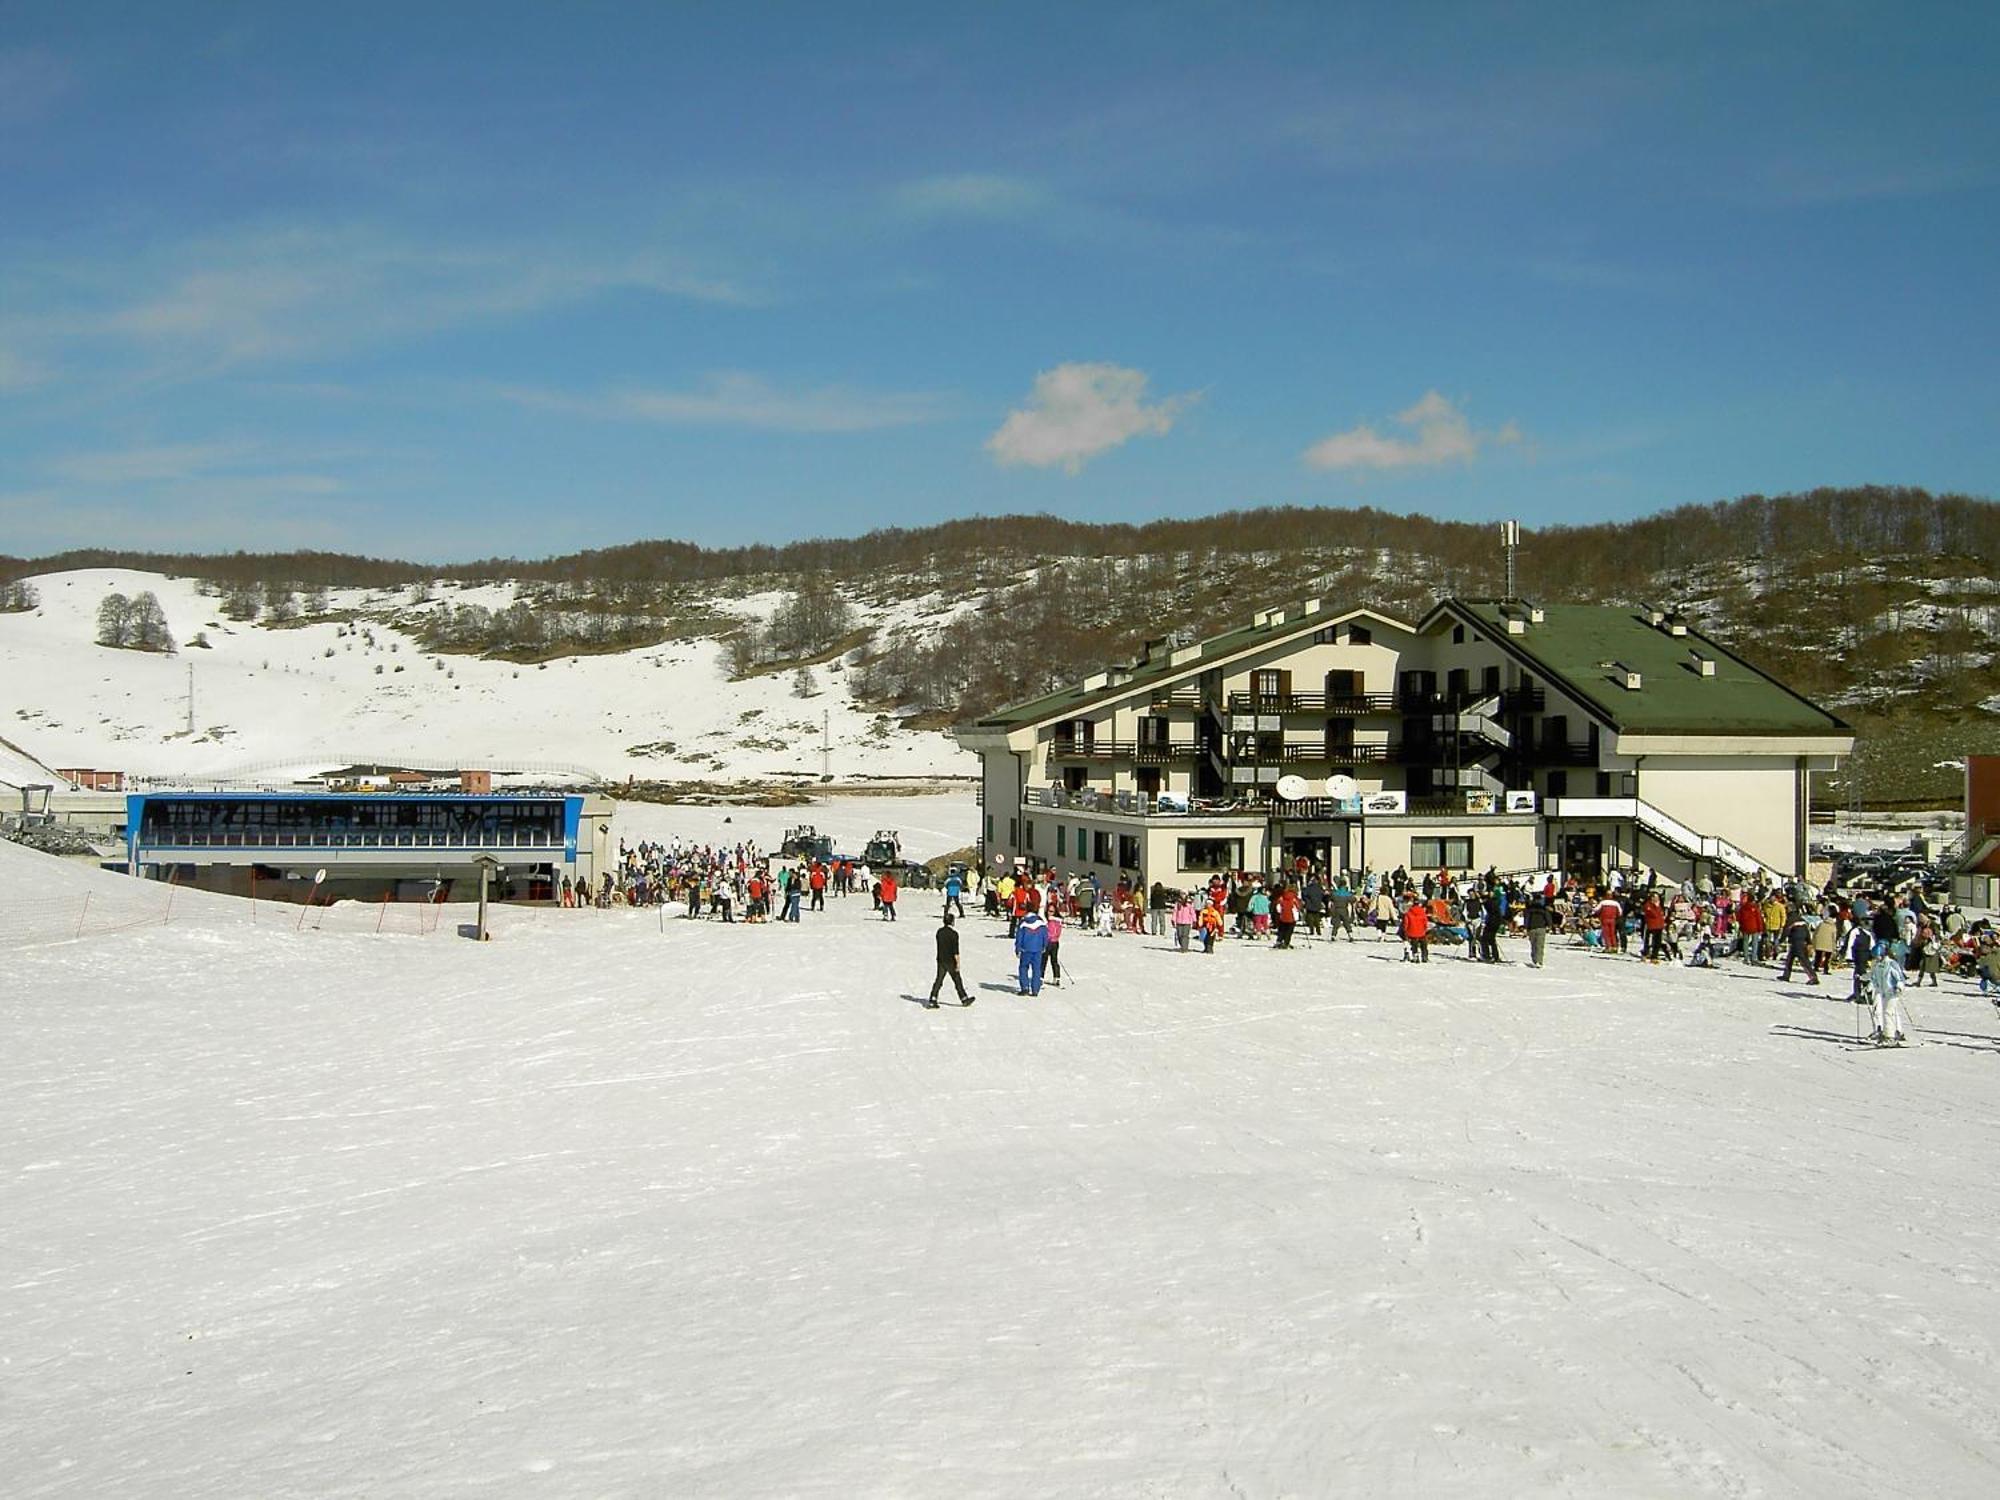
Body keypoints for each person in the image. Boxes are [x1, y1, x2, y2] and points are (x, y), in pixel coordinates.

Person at [926, 913, 971, 1008]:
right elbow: (955, 950)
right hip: (951, 961)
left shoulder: (939, 932)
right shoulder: (954, 934)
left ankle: (933, 998)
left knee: (939, 980)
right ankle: (964, 998)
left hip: (941, 959)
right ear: (952, 921)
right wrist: (958, 963)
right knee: (957, 980)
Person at [1867, 940, 1908, 1045]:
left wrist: (1899, 986)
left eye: (1878, 956)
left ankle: (1890, 1036)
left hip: (1893, 992)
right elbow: (1875, 978)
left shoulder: (1891, 964)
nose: (1876, 958)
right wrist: (1870, 985)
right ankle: (1889, 1033)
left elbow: (1900, 978)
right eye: (1875, 957)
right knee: (1887, 1013)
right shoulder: (1878, 965)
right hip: (1884, 992)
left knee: (1888, 1013)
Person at [1014, 908, 1049, 995]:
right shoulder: (1041, 923)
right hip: (1038, 949)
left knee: (1023, 968)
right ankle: (1035, 989)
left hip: (1026, 949)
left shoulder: (1023, 923)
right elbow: (1045, 936)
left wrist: (1018, 948)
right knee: (1037, 969)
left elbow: (1019, 937)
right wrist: (1044, 945)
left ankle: (1025, 987)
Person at [1523, 894, 1551, 968]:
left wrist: (1525, 927)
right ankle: (1539, 961)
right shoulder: (1543, 908)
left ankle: (1535, 959)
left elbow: (1527, 918)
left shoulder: (1530, 909)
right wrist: (1549, 925)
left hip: (1531, 928)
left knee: (1533, 945)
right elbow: (1547, 917)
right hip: (1541, 928)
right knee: (1540, 945)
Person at [1041, 909, 1064, 987]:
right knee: (1043, 960)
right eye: (1049, 911)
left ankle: (1057, 977)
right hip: (1046, 943)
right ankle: (1041, 977)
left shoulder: (1056, 921)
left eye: (1052, 911)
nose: (1049, 913)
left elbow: (1057, 932)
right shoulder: (1045, 921)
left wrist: (1051, 937)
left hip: (1053, 943)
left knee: (1054, 960)